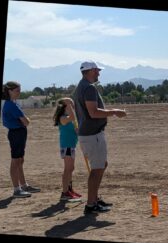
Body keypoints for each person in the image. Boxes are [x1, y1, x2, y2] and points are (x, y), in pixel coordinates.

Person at [73, 61, 127, 214]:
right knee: (97, 169)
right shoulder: (88, 88)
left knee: (101, 165)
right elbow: (93, 112)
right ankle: (91, 204)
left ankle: (94, 199)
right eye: (97, 71)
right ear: (90, 71)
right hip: (92, 134)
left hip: (89, 134)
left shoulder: (81, 86)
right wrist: (115, 111)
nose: (98, 73)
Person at [2, 81, 41, 198]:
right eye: (17, 91)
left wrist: (23, 121)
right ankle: (16, 189)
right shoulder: (11, 105)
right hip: (16, 134)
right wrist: (24, 121)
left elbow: (24, 121)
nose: (19, 93)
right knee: (15, 161)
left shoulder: (13, 103)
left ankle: (23, 185)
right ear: (9, 91)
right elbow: (26, 121)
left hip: (18, 133)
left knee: (20, 160)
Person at [53, 97, 82, 201]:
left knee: (71, 168)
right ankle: (65, 192)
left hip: (71, 145)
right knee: (67, 169)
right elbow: (73, 117)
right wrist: (69, 105)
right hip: (67, 146)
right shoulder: (63, 118)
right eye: (71, 105)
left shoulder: (68, 117)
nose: (73, 107)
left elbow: (75, 130)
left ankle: (70, 190)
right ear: (65, 107)